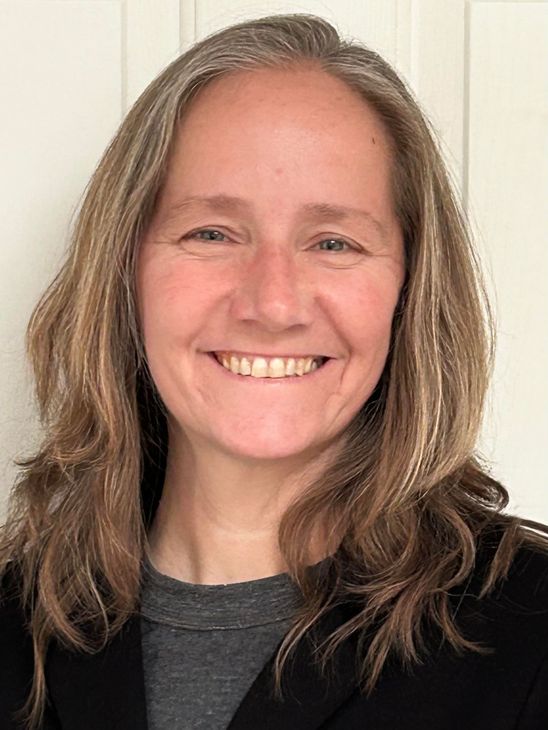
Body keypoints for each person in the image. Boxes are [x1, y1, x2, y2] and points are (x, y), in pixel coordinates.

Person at [1, 12, 547, 730]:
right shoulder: (16, 629)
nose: (274, 302)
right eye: (212, 232)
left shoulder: (531, 636)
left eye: (334, 241)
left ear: (410, 290)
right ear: (123, 271)